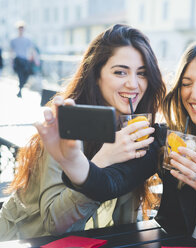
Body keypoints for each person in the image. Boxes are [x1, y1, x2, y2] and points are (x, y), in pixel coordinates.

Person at [56, 37, 196, 248]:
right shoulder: (167, 138)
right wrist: (75, 163)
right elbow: (112, 183)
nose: (194, 94)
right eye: (186, 84)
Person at [0, 24, 165, 241]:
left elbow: (124, 219)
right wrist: (99, 163)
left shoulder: (137, 130)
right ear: (96, 75)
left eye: (142, 74)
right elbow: (55, 225)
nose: (133, 84)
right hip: (22, 240)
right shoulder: (65, 128)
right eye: (120, 72)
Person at [10, 21, 34, 98]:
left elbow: (31, 49)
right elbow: (11, 51)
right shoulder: (14, 39)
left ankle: (20, 88)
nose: (21, 30)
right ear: (18, 29)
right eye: (20, 28)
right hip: (17, 60)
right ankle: (20, 91)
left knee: (26, 75)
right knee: (20, 75)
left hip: (25, 60)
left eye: (22, 28)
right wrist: (12, 61)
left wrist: (33, 58)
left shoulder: (27, 39)